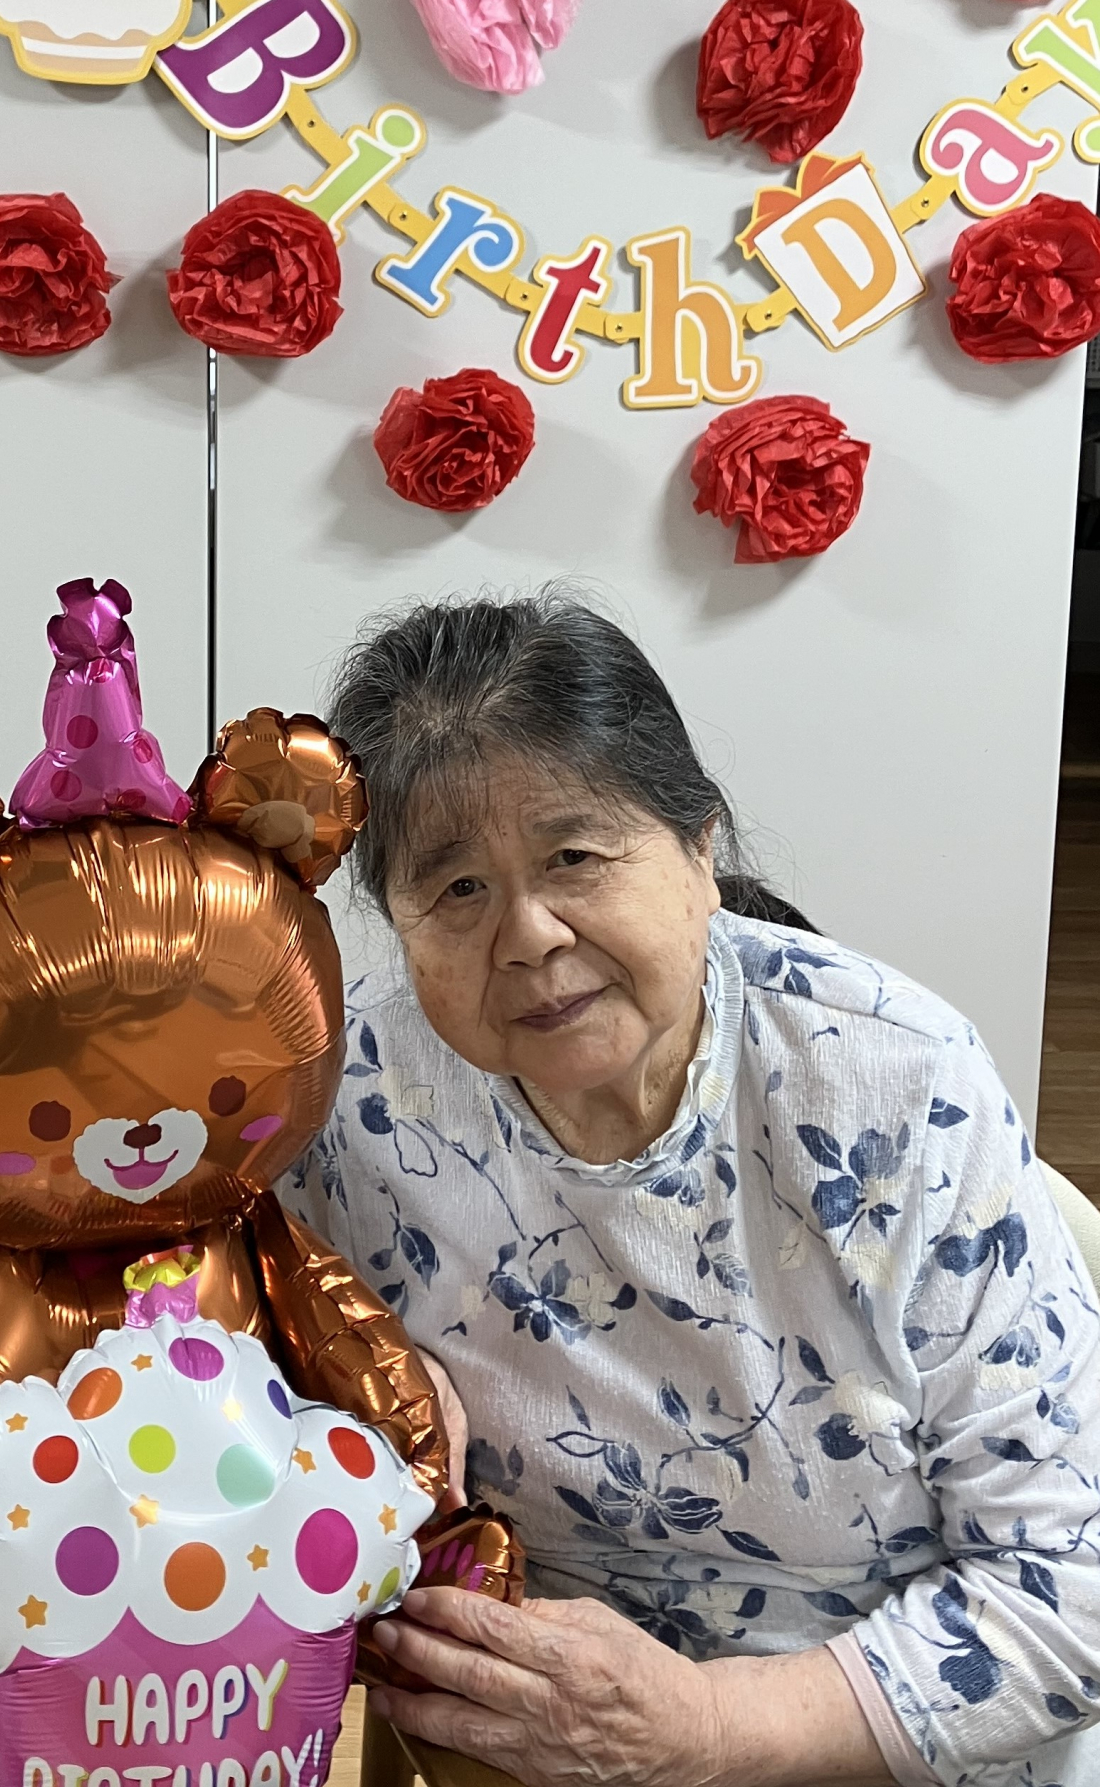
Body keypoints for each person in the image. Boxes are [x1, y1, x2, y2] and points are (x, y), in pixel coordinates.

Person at [284, 592, 1100, 1787]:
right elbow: (213, 1367)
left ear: (698, 850)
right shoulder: (348, 1097)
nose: (528, 934)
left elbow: (1070, 1591)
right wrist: (333, 1400)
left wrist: (708, 1729)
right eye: (455, 889)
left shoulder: (898, 1089)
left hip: (889, 1743)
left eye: (573, 856)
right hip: (539, 1742)